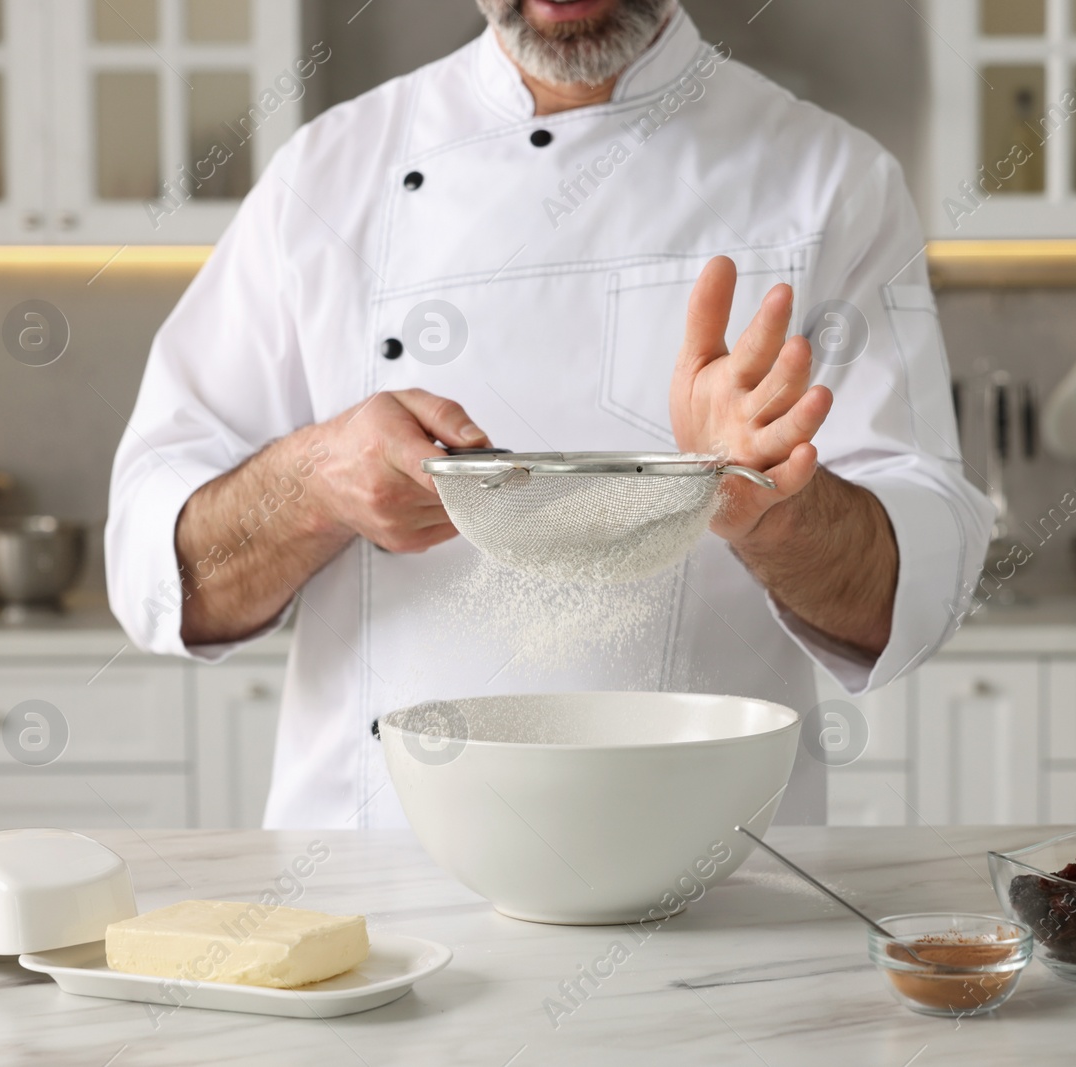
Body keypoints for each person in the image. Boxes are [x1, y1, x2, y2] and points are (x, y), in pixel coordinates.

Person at [106, 0, 993, 828]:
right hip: (371, 877)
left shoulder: (832, 180)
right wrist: (312, 485)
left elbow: (911, 596)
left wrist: (776, 509)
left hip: (701, 880)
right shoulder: (327, 174)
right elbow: (158, 576)